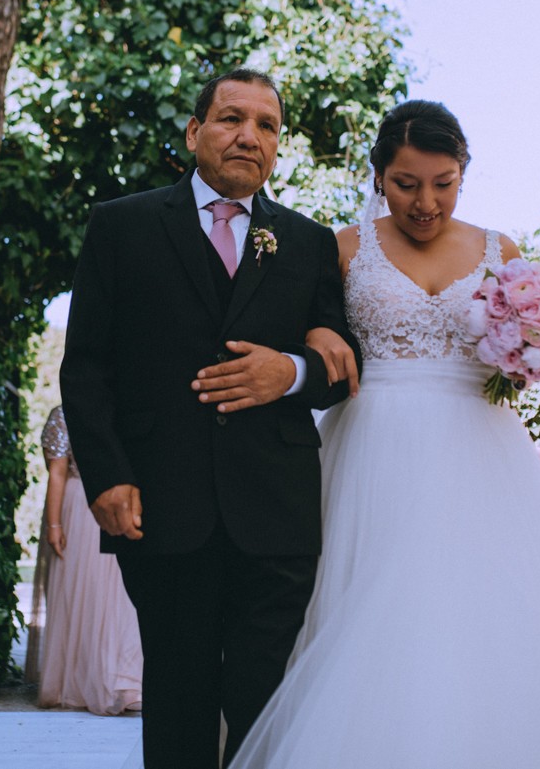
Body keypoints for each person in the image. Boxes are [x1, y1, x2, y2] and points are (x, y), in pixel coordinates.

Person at [229, 101, 540, 768]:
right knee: (368, 609)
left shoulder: (499, 249)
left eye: (443, 182)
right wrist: (319, 331)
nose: (426, 202)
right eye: (406, 183)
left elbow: (522, 351)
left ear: (463, 175)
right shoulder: (341, 248)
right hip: (373, 445)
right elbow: (314, 333)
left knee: (484, 613)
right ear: (378, 178)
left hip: (479, 451)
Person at [60, 68, 362, 768]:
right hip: (164, 507)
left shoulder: (310, 242)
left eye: (267, 125)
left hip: (277, 513)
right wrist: (105, 476)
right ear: (195, 132)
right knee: (179, 697)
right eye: (231, 118)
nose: (248, 136)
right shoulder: (121, 225)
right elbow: (87, 366)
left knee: (266, 702)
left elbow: (343, 369)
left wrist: (288, 370)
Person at [34, 405, 143, 715]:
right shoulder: (63, 416)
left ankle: (126, 681)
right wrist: (54, 525)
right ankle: (91, 681)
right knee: (87, 597)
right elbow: (57, 473)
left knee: (123, 599)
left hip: (125, 503)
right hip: (80, 507)